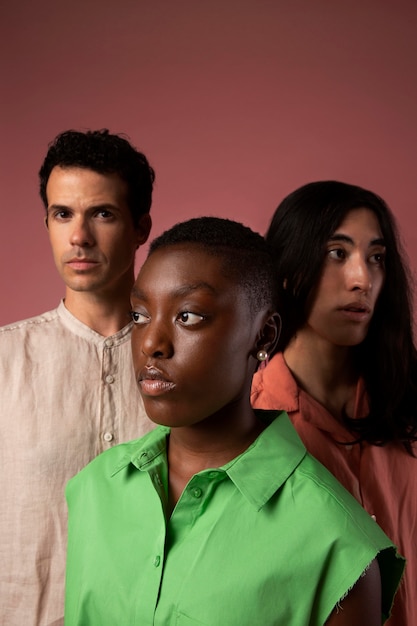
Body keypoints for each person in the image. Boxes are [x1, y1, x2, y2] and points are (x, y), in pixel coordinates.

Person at [65, 216, 404, 626]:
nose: (151, 344)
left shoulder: (339, 544)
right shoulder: (95, 488)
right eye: (139, 315)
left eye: (188, 316)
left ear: (263, 336)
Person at [0, 129, 156, 626]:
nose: (79, 237)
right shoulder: (5, 359)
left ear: (140, 227)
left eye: (102, 214)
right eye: (62, 214)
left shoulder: (182, 364)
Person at [251, 180, 417, 626]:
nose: (362, 279)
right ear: (288, 269)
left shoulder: (407, 401)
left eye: (376, 258)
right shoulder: (251, 419)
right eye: (337, 253)